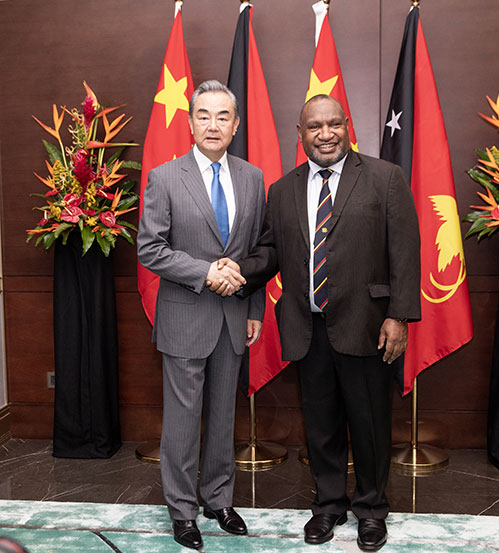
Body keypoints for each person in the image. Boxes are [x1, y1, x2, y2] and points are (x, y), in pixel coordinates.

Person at [215, 94, 421, 552]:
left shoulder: (385, 178)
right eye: (314, 127)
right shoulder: (282, 190)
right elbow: (271, 251)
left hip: (368, 325)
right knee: (321, 424)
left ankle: (371, 509)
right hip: (308, 328)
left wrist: (399, 315)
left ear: (348, 126)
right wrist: (237, 270)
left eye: (333, 124)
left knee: (369, 424)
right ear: (301, 134)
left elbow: (406, 252)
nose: (325, 134)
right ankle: (328, 505)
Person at [137, 80, 266, 550]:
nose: (213, 125)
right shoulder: (165, 177)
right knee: (183, 420)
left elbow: (257, 251)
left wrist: (254, 306)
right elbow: (150, 248)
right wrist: (205, 272)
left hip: (234, 316)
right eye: (204, 115)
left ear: (236, 125)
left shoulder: (253, 178)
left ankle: (218, 499)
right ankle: (182, 509)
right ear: (190, 123)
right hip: (185, 316)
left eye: (223, 116)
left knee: (224, 415)